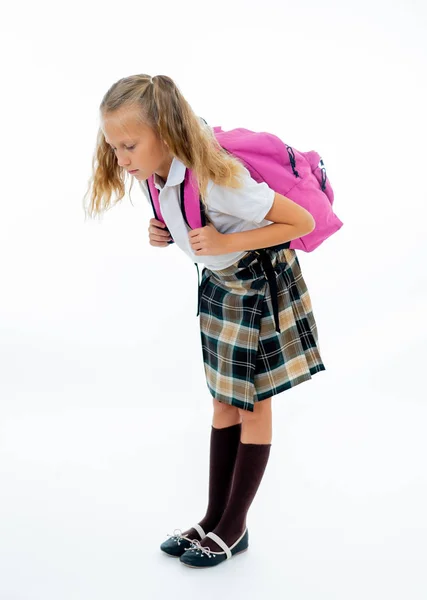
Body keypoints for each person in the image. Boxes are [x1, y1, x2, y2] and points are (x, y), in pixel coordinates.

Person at [83, 73, 326, 569]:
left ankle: (234, 528)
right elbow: (189, 222)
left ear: (165, 135)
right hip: (220, 290)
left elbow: (301, 221)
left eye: (128, 146)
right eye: (114, 148)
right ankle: (213, 516)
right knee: (222, 403)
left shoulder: (220, 177)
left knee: (253, 405)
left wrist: (226, 242)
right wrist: (163, 231)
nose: (121, 159)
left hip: (258, 287)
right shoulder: (158, 175)